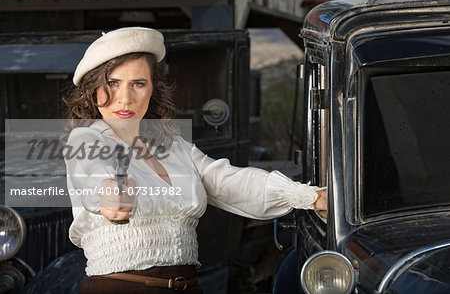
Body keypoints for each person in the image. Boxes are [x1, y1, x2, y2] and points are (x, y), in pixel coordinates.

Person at [62, 27, 327, 294]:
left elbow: (231, 182)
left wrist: (310, 197)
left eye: (138, 83)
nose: (125, 97)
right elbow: (95, 175)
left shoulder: (176, 148)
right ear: (93, 89)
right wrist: (108, 196)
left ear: (152, 89)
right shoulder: (86, 139)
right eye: (113, 82)